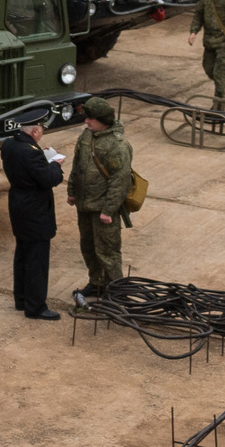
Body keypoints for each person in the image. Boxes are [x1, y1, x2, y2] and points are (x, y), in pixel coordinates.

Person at [68, 96, 132, 305]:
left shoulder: (117, 145)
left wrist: (108, 210)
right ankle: (96, 283)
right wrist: (72, 191)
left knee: (107, 252)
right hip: (85, 204)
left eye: (91, 119)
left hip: (103, 209)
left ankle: (116, 292)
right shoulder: (87, 136)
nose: (86, 122)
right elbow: (77, 165)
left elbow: (120, 181)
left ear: (103, 120)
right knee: (88, 247)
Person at [0, 117, 65, 320]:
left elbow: (26, 167)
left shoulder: (9, 144)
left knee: (22, 254)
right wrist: (55, 165)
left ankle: (21, 299)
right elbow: (49, 179)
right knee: (36, 260)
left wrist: (40, 157)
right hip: (35, 210)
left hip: (18, 204)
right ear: (35, 131)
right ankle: (35, 307)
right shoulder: (30, 152)